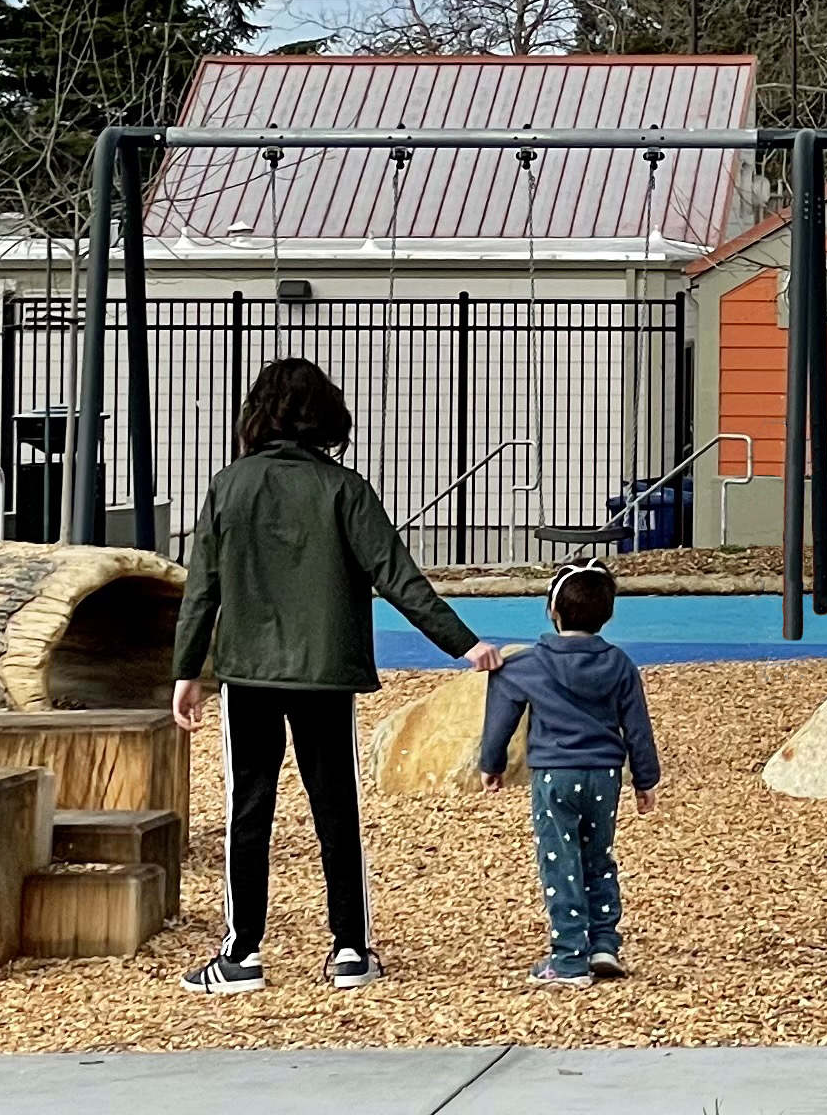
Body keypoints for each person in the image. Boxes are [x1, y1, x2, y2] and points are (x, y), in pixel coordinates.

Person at [171, 355, 497, 994]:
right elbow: (395, 573)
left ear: (257, 415)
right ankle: (350, 948)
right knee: (335, 805)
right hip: (326, 671)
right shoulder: (344, 489)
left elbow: (201, 587)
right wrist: (463, 644)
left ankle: (241, 953)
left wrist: (188, 670)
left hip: (249, 672)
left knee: (249, 805)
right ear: (326, 415)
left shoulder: (229, 486)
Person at [477, 562, 661, 985]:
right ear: (608, 615)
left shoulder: (528, 665)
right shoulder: (619, 665)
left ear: (552, 611)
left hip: (555, 774)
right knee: (598, 857)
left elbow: (501, 714)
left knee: (560, 860)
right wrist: (645, 779)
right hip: (604, 775)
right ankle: (603, 944)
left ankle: (568, 958)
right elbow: (636, 726)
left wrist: (492, 764)